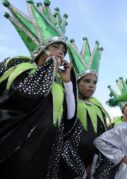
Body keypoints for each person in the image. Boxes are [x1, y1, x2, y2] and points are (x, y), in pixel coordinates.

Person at [0, 1, 77, 178]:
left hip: (47, 151)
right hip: (22, 149)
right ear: (41, 48)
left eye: (63, 50)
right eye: (55, 47)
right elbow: (21, 98)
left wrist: (67, 83)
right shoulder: (21, 67)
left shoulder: (57, 83)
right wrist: (49, 68)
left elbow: (69, 118)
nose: (60, 52)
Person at [60, 37, 111, 178]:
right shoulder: (67, 101)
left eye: (94, 82)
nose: (91, 85)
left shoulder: (97, 106)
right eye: (87, 81)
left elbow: (103, 137)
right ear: (76, 82)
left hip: (95, 167)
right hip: (69, 167)